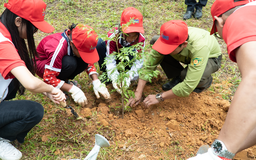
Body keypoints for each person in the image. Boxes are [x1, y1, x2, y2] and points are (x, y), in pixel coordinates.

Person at [188, 0, 256, 160]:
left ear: (219, 21)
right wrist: (229, 149)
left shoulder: (240, 17)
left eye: (218, 33)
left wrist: (218, 154)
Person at [0, 0, 66, 159]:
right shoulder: (3, 43)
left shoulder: (6, 34)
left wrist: (46, 92)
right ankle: (2, 140)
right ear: (18, 21)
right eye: (34, 27)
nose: (35, 31)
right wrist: (52, 89)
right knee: (34, 111)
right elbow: (30, 83)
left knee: (14, 85)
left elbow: (27, 74)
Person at [126, 20, 222, 108]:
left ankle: (204, 82)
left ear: (184, 44)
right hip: (184, 54)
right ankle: (177, 77)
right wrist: (138, 92)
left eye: (169, 48)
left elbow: (188, 86)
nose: (165, 50)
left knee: (188, 76)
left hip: (210, 58)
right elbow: (149, 65)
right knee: (156, 44)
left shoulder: (200, 47)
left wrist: (160, 97)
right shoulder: (169, 38)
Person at [36, 23, 111, 106]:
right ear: (72, 44)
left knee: (82, 61)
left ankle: (64, 82)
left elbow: (88, 61)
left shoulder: (77, 42)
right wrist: (72, 89)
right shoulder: (57, 48)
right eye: (83, 52)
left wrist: (96, 81)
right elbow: (48, 78)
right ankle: (58, 86)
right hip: (44, 67)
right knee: (70, 63)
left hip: (59, 64)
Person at [96, 7, 145, 94]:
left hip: (127, 64)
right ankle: (106, 74)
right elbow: (109, 59)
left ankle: (125, 74)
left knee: (132, 51)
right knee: (100, 44)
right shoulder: (113, 37)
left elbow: (139, 62)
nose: (132, 39)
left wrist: (129, 77)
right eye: (129, 35)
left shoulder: (140, 40)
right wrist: (114, 77)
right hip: (115, 59)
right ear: (122, 30)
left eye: (135, 35)